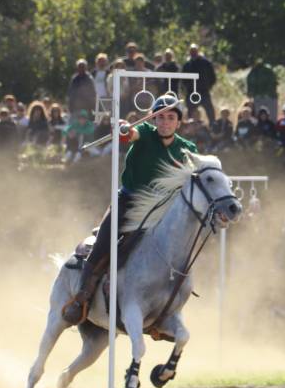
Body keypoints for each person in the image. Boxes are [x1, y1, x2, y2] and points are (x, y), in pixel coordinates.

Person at [61, 95, 199, 324]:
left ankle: (166, 306)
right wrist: (124, 128)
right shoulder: (144, 132)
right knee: (103, 241)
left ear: (178, 122)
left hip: (161, 211)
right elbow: (129, 134)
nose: (165, 122)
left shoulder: (187, 149)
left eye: (170, 118)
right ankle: (81, 297)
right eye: (160, 117)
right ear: (154, 120)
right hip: (128, 203)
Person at [182, 44, 217, 125]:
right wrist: (188, 87)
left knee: (210, 112)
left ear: (198, 51)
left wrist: (208, 86)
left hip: (204, 91)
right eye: (191, 51)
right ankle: (191, 131)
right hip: (191, 92)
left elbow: (213, 77)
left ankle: (212, 128)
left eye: (194, 51)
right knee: (190, 113)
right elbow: (183, 79)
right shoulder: (187, 64)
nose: (193, 53)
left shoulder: (206, 63)